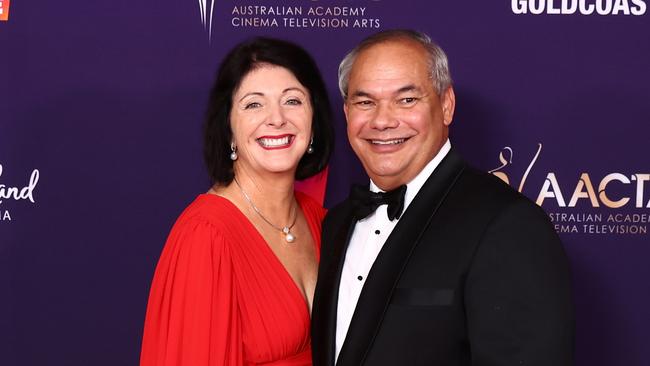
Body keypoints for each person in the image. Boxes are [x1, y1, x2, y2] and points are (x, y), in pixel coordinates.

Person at [311, 30, 574, 366]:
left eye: (407, 100)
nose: (383, 120)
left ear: (446, 106)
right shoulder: (337, 221)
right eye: (365, 102)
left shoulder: (507, 225)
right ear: (347, 113)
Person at [141, 37, 334, 366]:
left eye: (293, 101)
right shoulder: (206, 237)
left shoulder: (322, 220)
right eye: (254, 104)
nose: (276, 119)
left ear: (313, 119)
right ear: (229, 128)